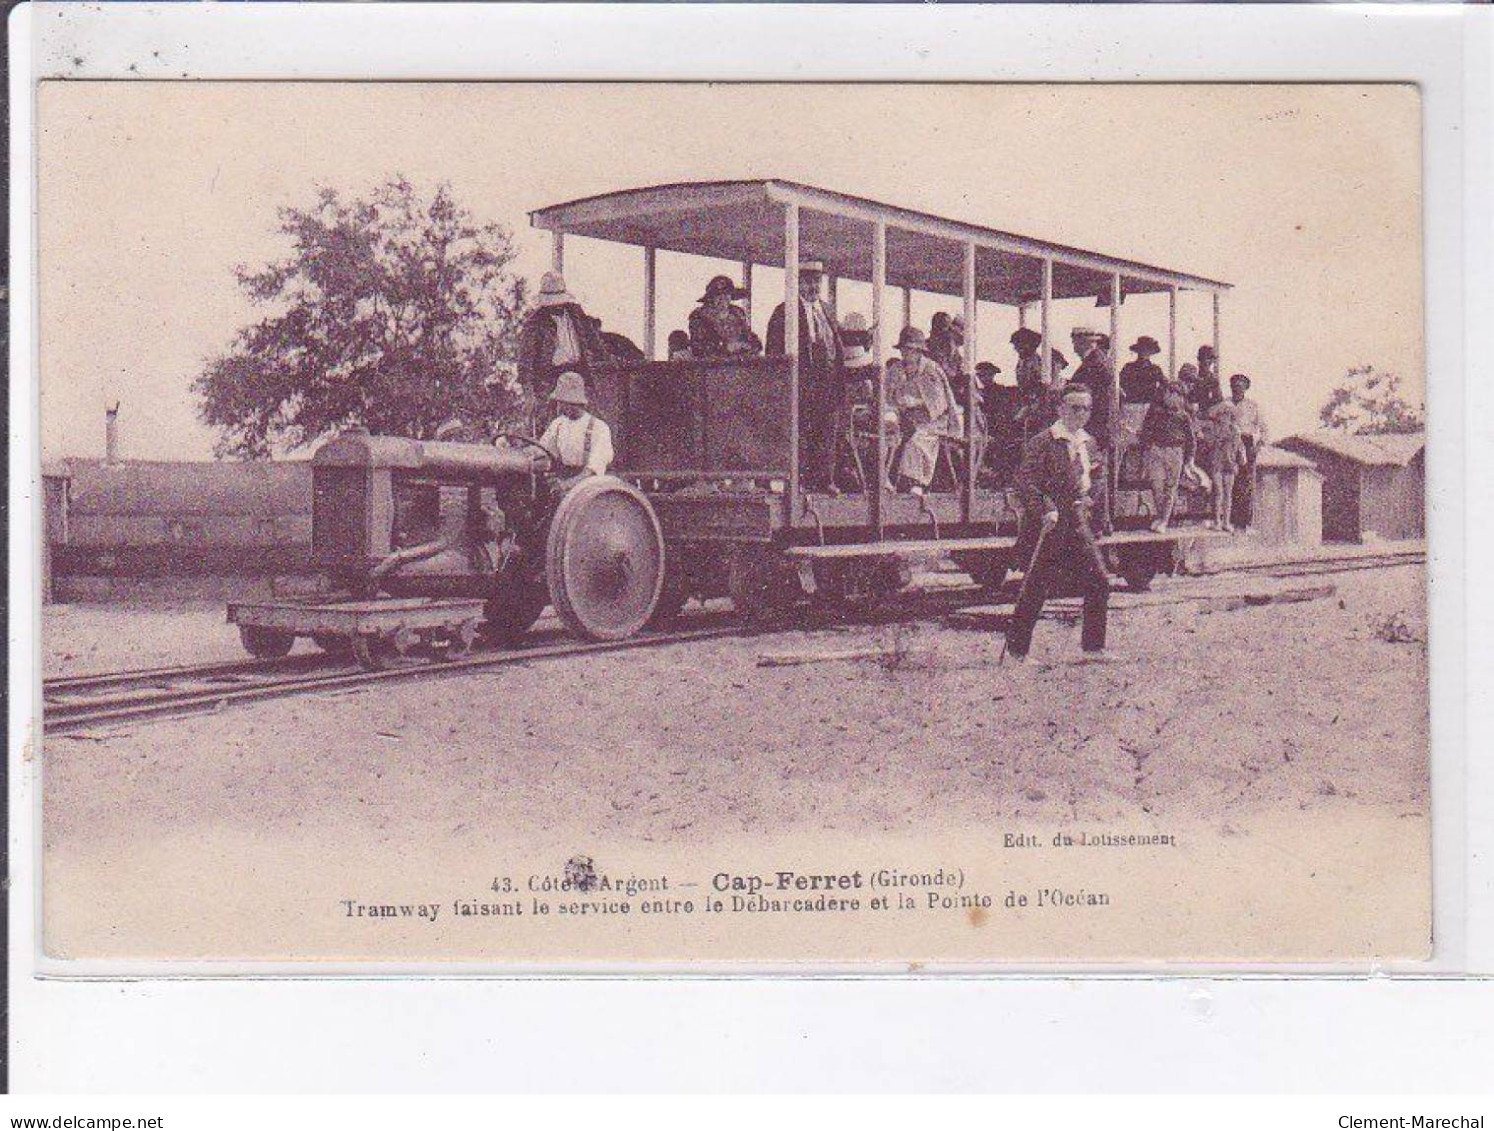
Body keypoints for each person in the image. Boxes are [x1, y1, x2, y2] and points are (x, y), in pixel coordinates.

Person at [1006, 381, 1110, 660]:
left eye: (1087, 408)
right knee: (1036, 587)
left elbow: (1098, 474)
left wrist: (1091, 497)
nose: (1081, 414)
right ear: (1061, 408)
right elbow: (1026, 482)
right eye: (1075, 408)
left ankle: (1093, 648)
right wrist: (1045, 508)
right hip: (1050, 523)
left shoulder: (1088, 441)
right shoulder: (1044, 441)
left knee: (1099, 580)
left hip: (1077, 520)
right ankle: (1017, 652)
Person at [767, 259, 844, 491]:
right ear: (797, 284)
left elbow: (837, 341)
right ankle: (798, 480)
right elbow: (773, 348)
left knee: (826, 431)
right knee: (800, 432)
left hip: (827, 382)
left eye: (816, 282)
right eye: (807, 282)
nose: (813, 287)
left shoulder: (827, 309)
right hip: (801, 383)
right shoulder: (784, 311)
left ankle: (824, 481)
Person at [518, 272, 605, 411]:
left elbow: (593, 341)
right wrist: (529, 394)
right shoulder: (535, 323)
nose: (556, 305)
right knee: (553, 418)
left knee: (592, 415)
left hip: (581, 373)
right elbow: (525, 361)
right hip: (551, 378)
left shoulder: (576, 314)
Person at [891, 326, 963, 494]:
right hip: (903, 418)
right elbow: (887, 396)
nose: (905, 353)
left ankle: (915, 482)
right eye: (903, 349)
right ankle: (887, 480)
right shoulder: (896, 369)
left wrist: (915, 403)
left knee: (918, 439)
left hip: (933, 421)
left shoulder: (931, 370)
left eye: (909, 349)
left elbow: (939, 404)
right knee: (886, 435)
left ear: (918, 351)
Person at [1070, 328, 1117, 531]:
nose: (1073, 346)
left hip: (1094, 428)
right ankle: (1102, 522)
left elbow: (1086, 393)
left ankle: (1097, 523)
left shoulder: (1096, 364)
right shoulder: (1096, 362)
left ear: (1086, 343)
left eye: (1076, 342)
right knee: (1097, 472)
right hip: (1095, 427)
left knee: (1094, 473)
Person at [536, 371, 614, 490]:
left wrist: (567, 485)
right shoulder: (558, 424)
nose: (559, 407)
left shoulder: (599, 428)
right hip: (562, 479)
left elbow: (593, 470)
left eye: (561, 402)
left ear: (572, 403)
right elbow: (542, 451)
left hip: (587, 487)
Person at [1137, 380, 1196, 532]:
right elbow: (1146, 430)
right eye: (1169, 393)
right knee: (1157, 485)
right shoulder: (1156, 412)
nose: (1171, 397)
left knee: (1170, 488)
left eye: (1176, 394)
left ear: (1181, 397)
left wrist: (1189, 460)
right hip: (1157, 450)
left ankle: (1164, 520)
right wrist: (1146, 447)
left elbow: (1191, 440)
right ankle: (1160, 515)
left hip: (1175, 452)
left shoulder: (1184, 416)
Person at [1197, 396, 1247, 531]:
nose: (1225, 417)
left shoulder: (1235, 430)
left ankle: (1226, 521)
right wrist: (1216, 440)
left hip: (1230, 463)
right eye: (1222, 414)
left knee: (1228, 493)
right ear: (1218, 416)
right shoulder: (1213, 429)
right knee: (1218, 492)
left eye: (1228, 414)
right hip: (1217, 462)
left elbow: (1240, 446)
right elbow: (1208, 444)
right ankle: (1217, 521)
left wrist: (1241, 459)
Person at [687, 275, 761, 358]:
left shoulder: (737, 313)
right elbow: (698, 348)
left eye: (727, 295)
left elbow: (753, 340)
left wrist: (748, 346)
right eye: (718, 295)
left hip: (740, 363)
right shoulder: (699, 316)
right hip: (712, 366)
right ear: (711, 298)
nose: (723, 299)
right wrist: (726, 348)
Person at [1228, 373, 1267, 529]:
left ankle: (1243, 522)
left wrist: (1257, 446)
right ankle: (1227, 519)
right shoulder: (1225, 403)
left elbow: (1264, 429)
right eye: (1235, 386)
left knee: (1245, 482)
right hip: (1229, 443)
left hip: (1246, 443)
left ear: (1246, 388)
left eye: (1241, 386)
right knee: (1228, 480)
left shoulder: (1252, 406)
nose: (1237, 389)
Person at [1120, 336, 1165, 405]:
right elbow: (1122, 383)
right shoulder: (1129, 367)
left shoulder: (1155, 369)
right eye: (1143, 349)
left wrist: (1156, 395)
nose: (1145, 352)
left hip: (1150, 405)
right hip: (1132, 404)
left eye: (1148, 349)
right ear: (1138, 351)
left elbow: (1164, 384)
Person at [1191, 345, 1224, 410]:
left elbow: (1218, 400)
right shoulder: (1191, 376)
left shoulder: (1213, 380)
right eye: (1205, 357)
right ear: (1199, 359)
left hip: (1208, 414)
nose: (1208, 362)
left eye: (1211, 359)